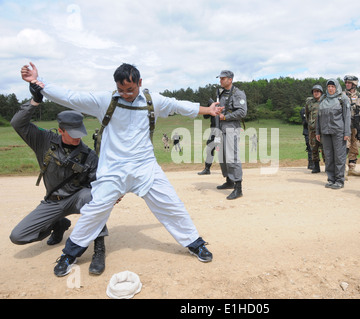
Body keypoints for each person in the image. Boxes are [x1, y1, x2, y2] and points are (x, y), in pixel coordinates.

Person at [21, 62, 223, 277]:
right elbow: (70, 96)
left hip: (145, 167)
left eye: (130, 89)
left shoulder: (152, 101)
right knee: (95, 211)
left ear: (140, 83)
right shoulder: (104, 101)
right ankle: (69, 254)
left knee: (171, 205)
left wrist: (208, 109)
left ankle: (195, 243)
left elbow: (178, 105)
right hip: (113, 170)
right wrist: (37, 81)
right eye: (121, 90)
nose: (126, 94)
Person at [9, 83, 108, 275]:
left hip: (77, 197)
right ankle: (58, 223)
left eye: (80, 132)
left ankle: (99, 248)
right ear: (61, 130)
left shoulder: (89, 155)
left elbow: (98, 183)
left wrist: (108, 191)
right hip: (53, 202)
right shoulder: (43, 140)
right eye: (73, 134)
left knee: (95, 198)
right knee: (18, 236)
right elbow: (17, 123)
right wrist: (35, 101)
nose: (78, 138)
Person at [215, 70, 247, 200]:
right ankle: (229, 180)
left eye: (223, 78)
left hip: (231, 128)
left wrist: (225, 117)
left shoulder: (238, 94)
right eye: (220, 78)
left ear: (230, 80)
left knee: (232, 157)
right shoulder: (222, 93)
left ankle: (238, 187)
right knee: (222, 156)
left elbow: (242, 112)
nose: (220, 81)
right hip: (220, 128)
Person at [316, 79, 351, 189]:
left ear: (336, 87)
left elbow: (347, 117)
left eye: (333, 86)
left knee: (339, 157)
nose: (330, 89)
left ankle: (340, 180)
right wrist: (318, 131)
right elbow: (318, 117)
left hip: (338, 132)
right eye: (329, 86)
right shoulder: (323, 99)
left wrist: (347, 132)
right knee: (329, 156)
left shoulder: (343, 99)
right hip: (325, 132)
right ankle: (331, 179)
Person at [344, 75, 360, 177]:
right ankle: (342, 170)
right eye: (346, 83)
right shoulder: (342, 95)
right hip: (346, 125)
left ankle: (352, 168)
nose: (347, 84)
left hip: (356, 125)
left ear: (354, 85)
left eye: (349, 83)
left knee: (355, 146)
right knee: (345, 147)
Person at [305, 84, 325, 173]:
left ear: (321, 92)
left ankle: (328, 167)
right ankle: (316, 166)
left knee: (325, 148)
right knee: (314, 148)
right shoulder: (309, 102)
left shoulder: (325, 101)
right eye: (314, 91)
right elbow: (307, 115)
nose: (316, 93)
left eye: (317, 91)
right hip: (312, 129)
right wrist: (311, 123)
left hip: (323, 129)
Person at [198, 99, 220, 175]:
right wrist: (209, 106)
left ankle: (232, 170)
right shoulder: (213, 105)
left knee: (226, 151)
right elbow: (205, 116)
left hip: (223, 130)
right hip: (213, 131)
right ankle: (207, 169)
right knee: (209, 149)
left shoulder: (225, 104)